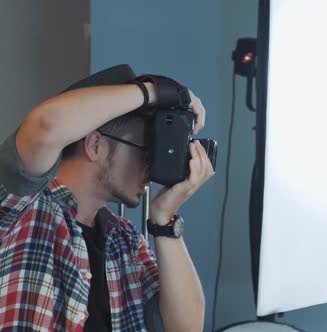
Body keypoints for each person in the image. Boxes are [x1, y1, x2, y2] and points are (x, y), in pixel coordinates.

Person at [0, 64, 213, 331]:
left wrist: (164, 221)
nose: (153, 166)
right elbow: (47, 124)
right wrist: (156, 92)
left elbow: (187, 328)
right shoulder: (23, 204)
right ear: (95, 145)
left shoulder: (124, 240)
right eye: (146, 150)